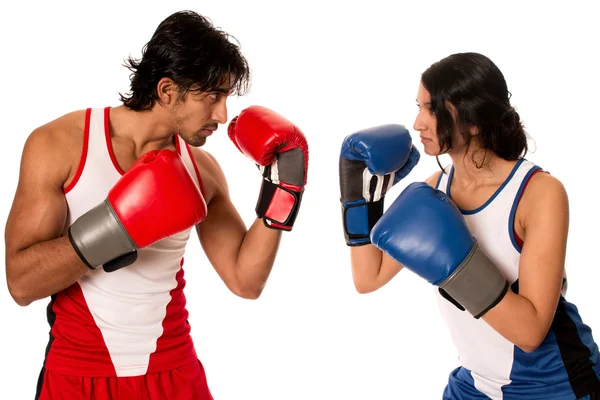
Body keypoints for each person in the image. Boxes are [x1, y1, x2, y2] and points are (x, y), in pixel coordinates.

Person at [4, 10, 309, 400]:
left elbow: (245, 281)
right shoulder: (60, 145)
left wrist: (283, 190)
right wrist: (114, 230)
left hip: (175, 374)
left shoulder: (202, 170)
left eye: (226, 97)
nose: (222, 114)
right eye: (212, 96)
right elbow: (21, 284)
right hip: (79, 375)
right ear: (167, 91)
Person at [339, 52, 600, 399]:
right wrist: (362, 199)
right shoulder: (434, 191)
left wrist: (458, 266)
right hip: (476, 384)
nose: (417, 123)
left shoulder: (538, 193)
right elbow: (367, 278)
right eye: (417, 107)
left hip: (555, 384)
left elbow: (531, 331)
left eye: (430, 109)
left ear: (473, 119)